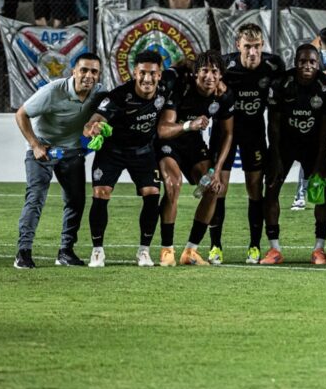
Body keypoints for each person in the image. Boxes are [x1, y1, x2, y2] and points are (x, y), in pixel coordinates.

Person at [13, 53, 103, 269]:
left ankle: (65, 251)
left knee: (76, 200)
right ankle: (23, 253)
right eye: (84, 70)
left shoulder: (99, 94)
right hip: (44, 150)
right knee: (35, 197)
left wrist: (89, 139)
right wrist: (35, 145)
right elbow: (21, 114)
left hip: (71, 152)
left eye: (94, 71)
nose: (88, 75)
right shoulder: (53, 91)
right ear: (73, 71)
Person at [82, 51, 171, 268]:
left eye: (152, 73)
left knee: (152, 194)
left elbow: (184, 66)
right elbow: (93, 121)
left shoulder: (166, 88)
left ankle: (144, 251)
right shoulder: (118, 96)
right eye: (142, 73)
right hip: (113, 152)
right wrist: (92, 128)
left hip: (143, 151)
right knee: (101, 193)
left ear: (160, 74)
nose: (147, 79)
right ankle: (97, 252)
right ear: (134, 72)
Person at [213, 24, 285, 265]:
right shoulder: (224, 66)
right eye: (247, 47)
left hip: (254, 133)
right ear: (238, 46)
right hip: (224, 133)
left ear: (262, 46)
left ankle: (254, 246)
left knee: (255, 189)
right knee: (218, 188)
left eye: (257, 47)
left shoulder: (274, 66)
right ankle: (215, 247)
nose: (253, 52)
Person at [156, 51, 236, 266]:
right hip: (169, 140)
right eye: (204, 71)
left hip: (191, 142)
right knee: (173, 185)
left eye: (215, 72)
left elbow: (228, 133)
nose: (209, 76)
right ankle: (167, 250)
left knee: (212, 188)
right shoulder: (181, 86)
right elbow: (163, 129)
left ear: (221, 75)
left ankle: (190, 251)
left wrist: (217, 170)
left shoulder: (223, 95)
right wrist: (188, 125)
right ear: (195, 73)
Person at [262, 45, 326, 264]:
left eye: (312, 62)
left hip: (314, 145)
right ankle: (274, 249)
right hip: (285, 144)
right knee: (272, 188)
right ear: (296, 62)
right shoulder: (281, 84)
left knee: (322, 191)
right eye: (303, 61)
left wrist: (322, 157)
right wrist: (274, 157)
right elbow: (273, 125)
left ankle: (319, 249)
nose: (307, 66)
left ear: (318, 63)